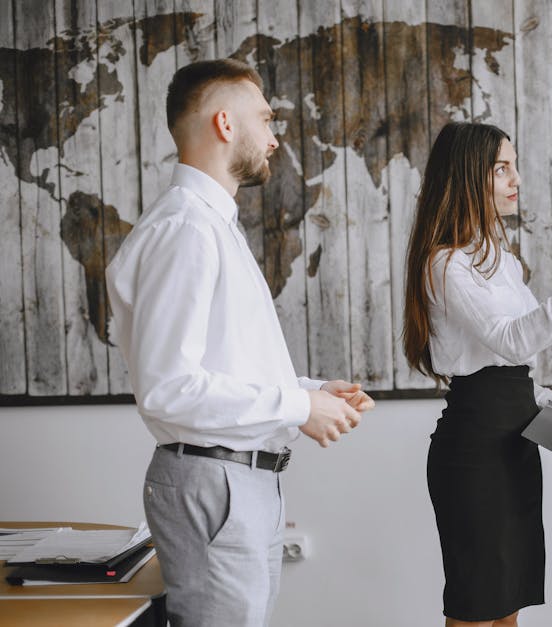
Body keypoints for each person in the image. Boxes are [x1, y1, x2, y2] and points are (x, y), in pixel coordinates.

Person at [105, 58, 375, 627]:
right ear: (225, 123)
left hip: (238, 481)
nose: (274, 138)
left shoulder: (209, 225)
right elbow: (169, 388)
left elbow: (221, 365)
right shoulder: (186, 229)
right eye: (265, 119)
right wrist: (299, 406)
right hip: (216, 483)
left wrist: (311, 392)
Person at [403, 121, 552, 627]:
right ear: (468, 176)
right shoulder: (446, 264)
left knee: (509, 599)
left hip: (515, 444)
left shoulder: (501, 261)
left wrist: (551, 402)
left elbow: (510, 363)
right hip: (474, 452)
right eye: (502, 169)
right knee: (476, 603)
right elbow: (511, 340)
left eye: (514, 167)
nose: (516, 179)